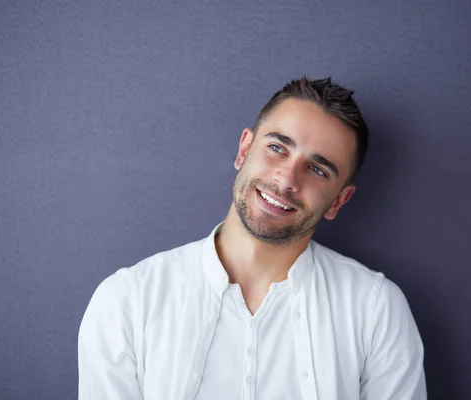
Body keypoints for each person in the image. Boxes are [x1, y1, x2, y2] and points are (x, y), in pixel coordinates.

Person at [78, 76, 427, 399]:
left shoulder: (377, 310)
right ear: (244, 149)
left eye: (318, 169)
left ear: (338, 200)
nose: (287, 179)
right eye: (277, 148)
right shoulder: (127, 302)